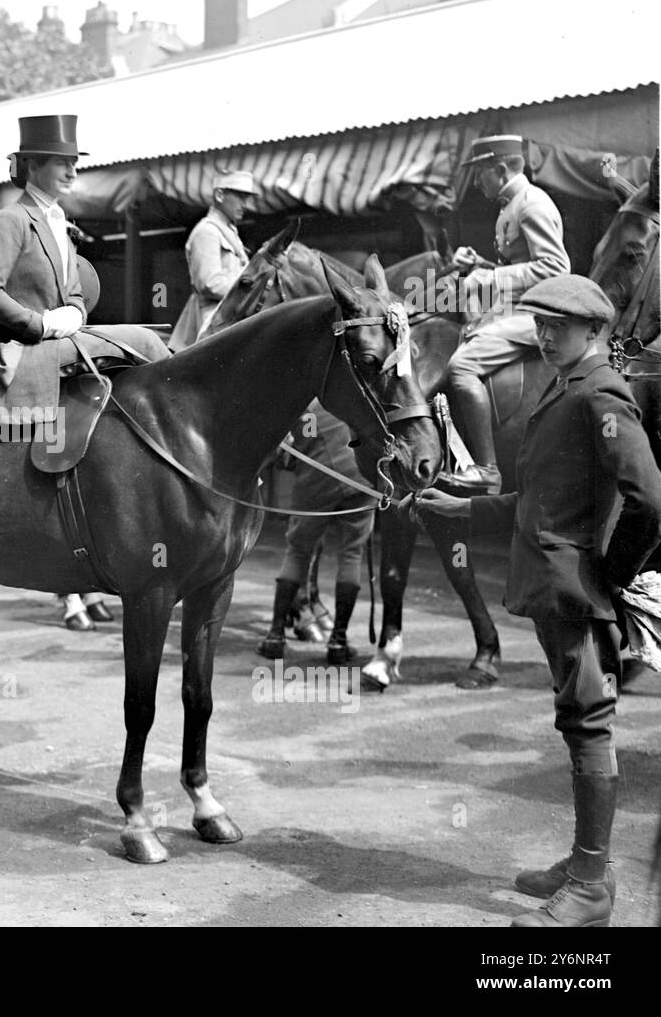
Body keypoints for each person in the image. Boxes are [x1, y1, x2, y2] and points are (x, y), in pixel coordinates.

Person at [416, 274, 661, 927]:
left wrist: (610, 572)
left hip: (575, 591)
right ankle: (591, 865)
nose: (546, 335)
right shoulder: (566, 385)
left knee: (587, 723)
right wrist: (462, 508)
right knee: (576, 719)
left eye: (559, 325)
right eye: (539, 324)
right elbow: (543, 500)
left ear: (595, 331)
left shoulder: (602, 392)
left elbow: (650, 501)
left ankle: (588, 887)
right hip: (555, 583)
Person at [0, 114, 169, 632]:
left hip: (62, 339)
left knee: (137, 354)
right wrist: (41, 324)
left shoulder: (58, 222)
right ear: (32, 166)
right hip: (24, 348)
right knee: (144, 343)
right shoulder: (9, 222)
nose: (72, 172)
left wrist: (74, 313)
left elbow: (75, 291)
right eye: (61, 163)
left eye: (75, 163)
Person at [436, 135, 571, 494]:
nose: (476, 181)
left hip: (537, 313)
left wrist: (491, 276)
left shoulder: (531, 204)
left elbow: (556, 269)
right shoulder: (509, 205)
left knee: (461, 367)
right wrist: (477, 263)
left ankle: (487, 469)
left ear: (499, 169)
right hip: (514, 307)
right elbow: (522, 263)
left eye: (480, 173)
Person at [256, 401, 375, 667]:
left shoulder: (302, 393)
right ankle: (338, 641)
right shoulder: (349, 389)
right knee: (351, 555)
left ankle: (275, 636)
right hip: (360, 476)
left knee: (297, 550)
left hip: (317, 476)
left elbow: (282, 451)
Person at [169, 170, 256, 351]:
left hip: (229, 315)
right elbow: (210, 283)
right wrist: (249, 288)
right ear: (219, 195)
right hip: (211, 319)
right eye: (240, 196)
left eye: (246, 198)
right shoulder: (207, 231)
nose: (245, 204)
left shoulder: (229, 232)